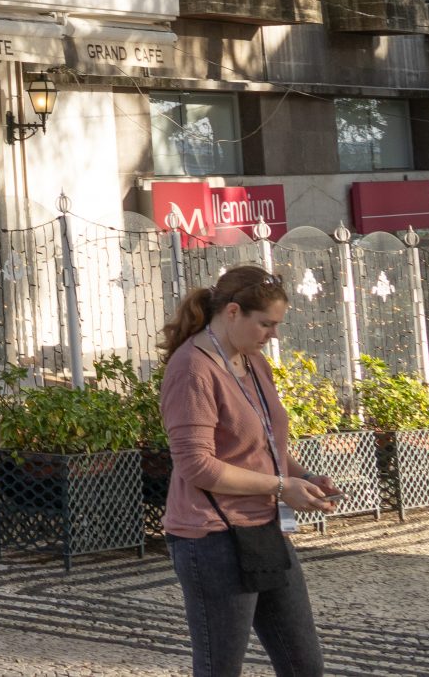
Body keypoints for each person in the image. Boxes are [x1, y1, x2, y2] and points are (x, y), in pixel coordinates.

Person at [160, 265, 338, 677]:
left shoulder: (254, 362)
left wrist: (305, 479)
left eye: (276, 325)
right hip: (211, 538)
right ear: (234, 311)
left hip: (264, 530)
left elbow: (266, 445)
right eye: (266, 324)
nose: (272, 335)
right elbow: (197, 466)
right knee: (220, 668)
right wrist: (281, 486)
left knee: (304, 666)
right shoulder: (192, 369)